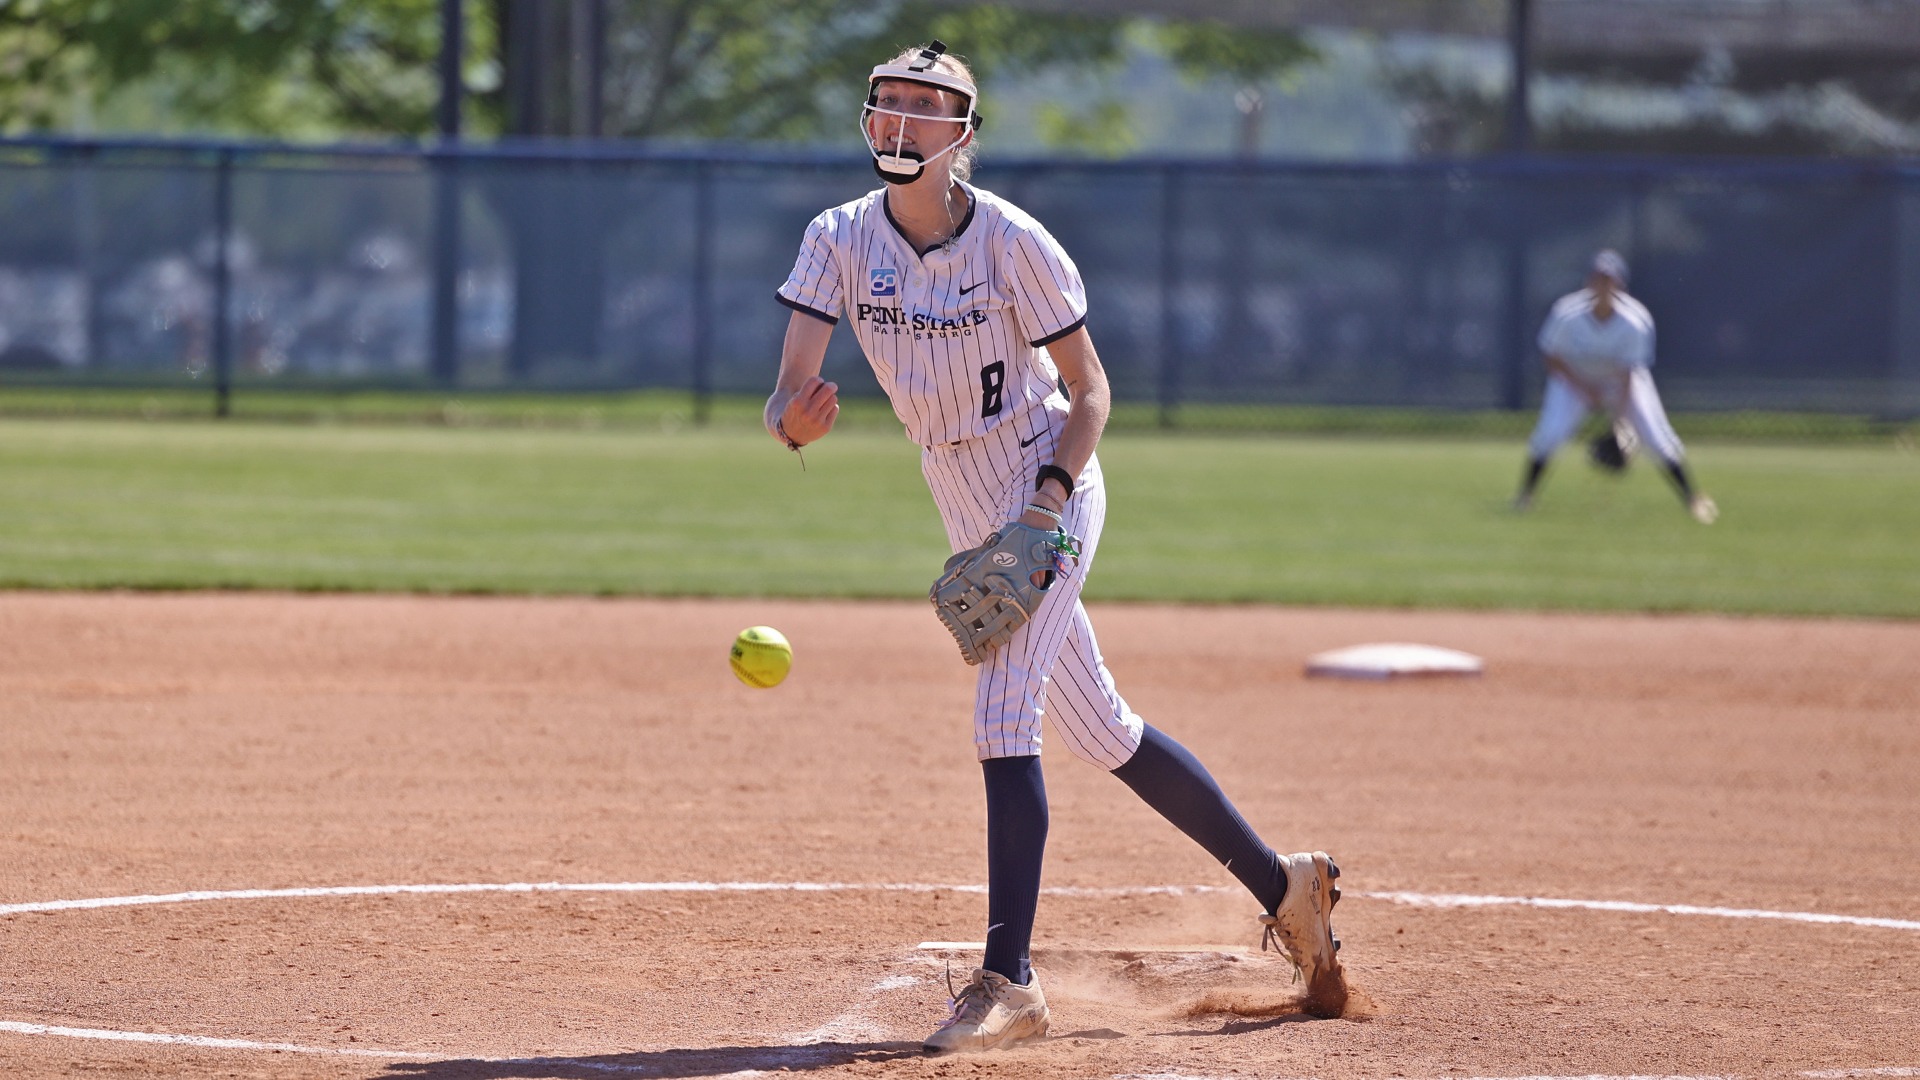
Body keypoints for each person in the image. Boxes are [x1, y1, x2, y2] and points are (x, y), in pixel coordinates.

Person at [764, 40, 1347, 1055]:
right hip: (954, 485)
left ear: (964, 135)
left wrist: (1045, 501)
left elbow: (1092, 393)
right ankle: (1282, 887)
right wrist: (794, 422)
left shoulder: (1015, 243)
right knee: (1102, 729)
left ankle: (1010, 982)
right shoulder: (836, 239)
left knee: (1004, 703)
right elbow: (788, 392)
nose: (899, 123)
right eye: (886, 105)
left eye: (923, 108)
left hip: (1045, 474)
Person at [1513, 250, 1717, 524]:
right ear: (1588, 282)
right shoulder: (1567, 313)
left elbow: (1629, 375)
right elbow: (1551, 356)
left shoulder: (1635, 320)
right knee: (1549, 434)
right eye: (1598, 279)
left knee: (1657, 437)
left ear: (1620, 285)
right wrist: (1584, 389)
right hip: (1574, 378)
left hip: (1619, 382)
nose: (1603, 286)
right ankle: (1525, 496)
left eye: (1609, 280)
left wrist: (1619, 424)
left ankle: (1693, 498)